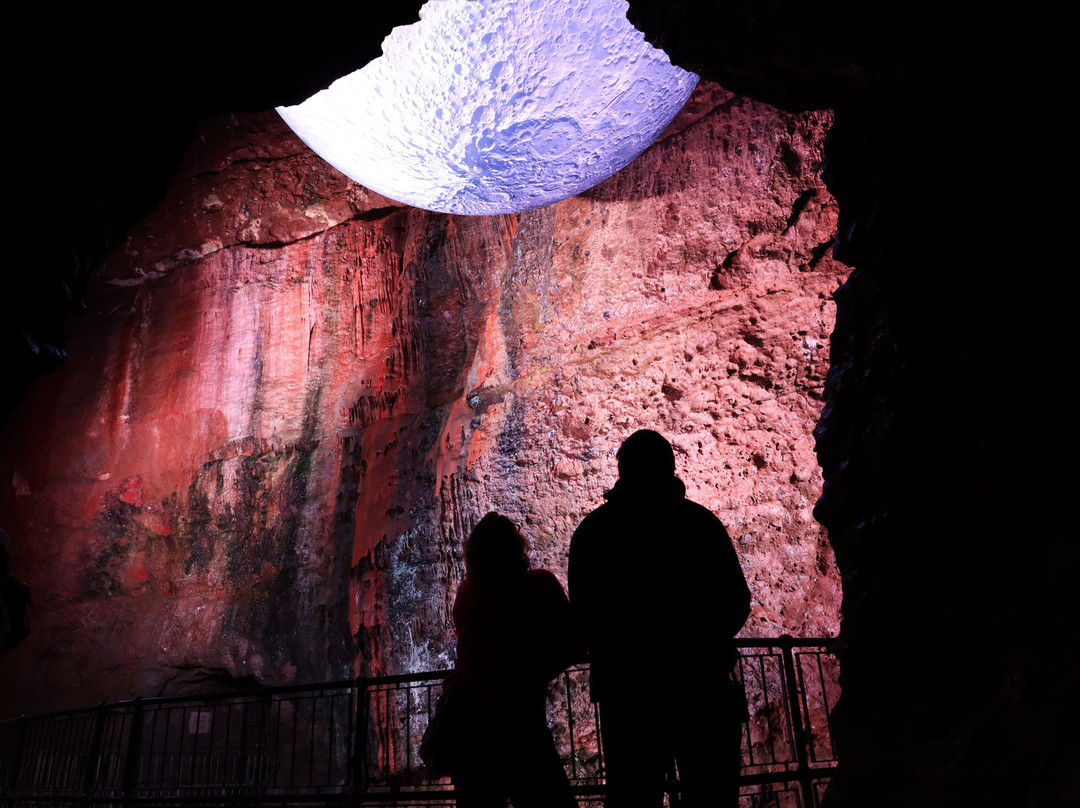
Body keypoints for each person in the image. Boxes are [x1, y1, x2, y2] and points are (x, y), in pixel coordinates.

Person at [568, 430, 751, 808]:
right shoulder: (701, 524)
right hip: (698, 680)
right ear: (669, 468)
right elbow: (736, 600)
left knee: (634, 794)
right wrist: (701, 642)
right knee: (710, 792)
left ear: (622, 470)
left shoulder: (593, 532)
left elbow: (581, 613)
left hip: (626, 690)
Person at [447, 512, 578, 808]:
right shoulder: (539, 585)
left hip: (470, 722)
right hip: (520, 717)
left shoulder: (467, 591)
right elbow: (573, 639)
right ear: (516, 546)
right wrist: (540, 670)